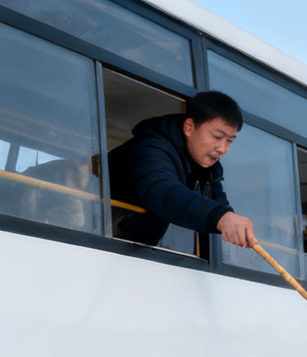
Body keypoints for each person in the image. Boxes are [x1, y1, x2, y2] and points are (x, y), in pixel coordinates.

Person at [108, 90, 256, 250]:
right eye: (217, 137)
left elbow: (217, 205)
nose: (222, 149)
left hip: (139, 250)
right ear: (189, 127)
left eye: (230, 141)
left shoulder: (210, 168)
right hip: (105, 240)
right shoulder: (148, 149)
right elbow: (163, 192)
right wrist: (221, 217)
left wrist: (231, 221)